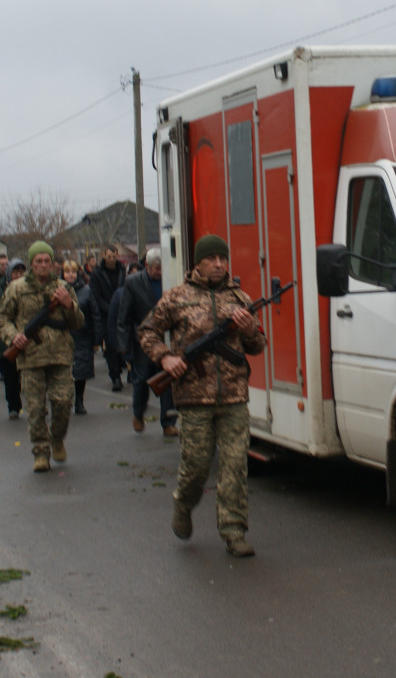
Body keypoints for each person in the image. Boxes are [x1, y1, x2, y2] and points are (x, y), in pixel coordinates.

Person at [139, 235, 266, 557]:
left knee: (235, 467)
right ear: (198, 262)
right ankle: (183, 503)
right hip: (194, 398)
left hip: (234, 397)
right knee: (196, 466)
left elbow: (257, 346)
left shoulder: (239, 298)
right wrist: (166, 358)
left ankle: (234, 532)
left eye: (223, 259)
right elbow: (147, 331)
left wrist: (249, 329)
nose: (219, 265)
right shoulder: (176, 298)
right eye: (212, 259)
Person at [0, 241, 84, 473]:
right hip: (31, 357)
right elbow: (1, 318)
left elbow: (78, 322)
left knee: (64, 402)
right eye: (38, 261)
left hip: (60, 355)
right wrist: (14, 337)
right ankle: (41, 452)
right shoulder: (17, 288)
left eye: (47, 261)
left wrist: (69, 305)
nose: (43, 265)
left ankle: (57, 439)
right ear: (31, 264)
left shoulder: (63, 287)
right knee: (35, 409)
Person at [119, 248, 176, 435]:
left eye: (161, 268)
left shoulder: (171, 280)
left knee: (166, 380)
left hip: (166, 339)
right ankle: (138, 413)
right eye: (156, 268)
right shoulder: (133, 283)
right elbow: (124, 316)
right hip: (143, 340)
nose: (159, 272)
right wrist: (124, 346)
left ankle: (168, 422)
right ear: (147, 266)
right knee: (142, 381)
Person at [0, 258, 26, 419]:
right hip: (6, 340)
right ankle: (13, 406)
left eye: (21, 272)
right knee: (10, 377)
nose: (18, 275)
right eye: (15, 272)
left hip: (27, 338)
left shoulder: (29, 287)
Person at [89, 246, 126, 390]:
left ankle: (125, 368)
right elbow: (95, 296)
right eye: (109, 256)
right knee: (111, 347)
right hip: (106, 315)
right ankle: (115, 376)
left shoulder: (122, 270)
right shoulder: (97, 274)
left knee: (123, 342)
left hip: (122, 312)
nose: (112, 259)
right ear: (104, 256)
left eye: (114, 256)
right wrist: (110, 309)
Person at [69, 260, 100, 415]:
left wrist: (96, 339)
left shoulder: (86, 291)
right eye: (67, 272)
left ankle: (79, 400)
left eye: (73, 272)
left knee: (81, 372)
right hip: (63, 336)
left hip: (82, 335)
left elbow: (95, 314)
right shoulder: (56, 290)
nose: (70, 275)